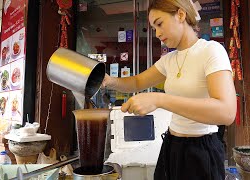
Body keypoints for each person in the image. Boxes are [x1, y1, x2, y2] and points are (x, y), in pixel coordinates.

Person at [102, 0, 237, 179]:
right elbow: (136, 82)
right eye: (153, 28)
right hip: (172, 145)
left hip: (202, 149)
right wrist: (107, 80)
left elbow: (226, 112)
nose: (157, 33)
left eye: (159, 24)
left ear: (180, 15)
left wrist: (159, 100)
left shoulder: (211, 51)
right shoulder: (169, 59)